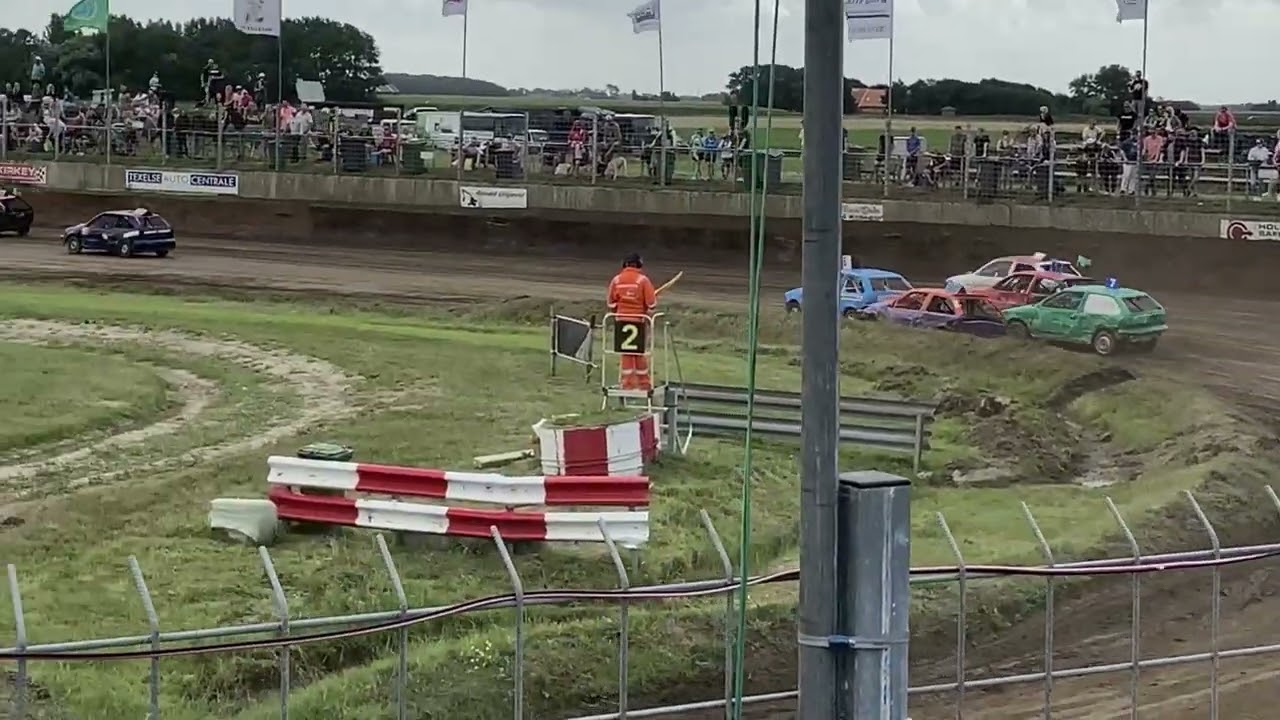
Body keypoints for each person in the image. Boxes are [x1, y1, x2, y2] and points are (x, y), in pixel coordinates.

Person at [607, 253, 658, 392]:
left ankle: (627, 384)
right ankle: (644, 384)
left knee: (625, 354)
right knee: (638, 353)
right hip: (638, 321)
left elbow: (611, 303)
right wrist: (645, 307)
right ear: (639, 264)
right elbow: (652, 304)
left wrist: (619, 309)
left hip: (621, 322)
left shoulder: (616, 280)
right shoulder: (643, 280)